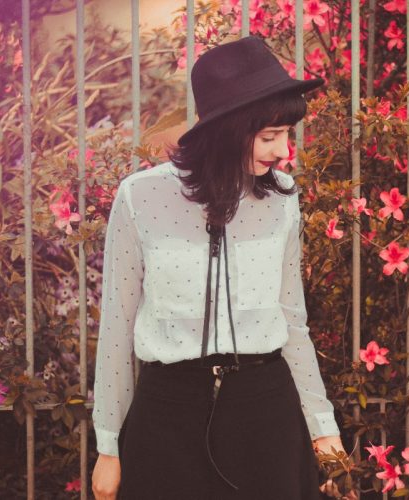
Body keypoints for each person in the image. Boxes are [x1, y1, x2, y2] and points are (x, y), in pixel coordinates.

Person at [91, 36, 349, 500]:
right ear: (226, 128)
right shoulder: (140, 196)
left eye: (288, 134)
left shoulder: (282, 198)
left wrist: (322, 426)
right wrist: (108, 444)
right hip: (166, 414)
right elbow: (116, 323)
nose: (283, 151)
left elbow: (292, 320)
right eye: (269, 136)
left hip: (264, 410)